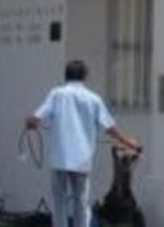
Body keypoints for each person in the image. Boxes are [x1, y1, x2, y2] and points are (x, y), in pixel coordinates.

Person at [25, 59, 141, 227]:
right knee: (80, 201)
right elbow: (109, 127)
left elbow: (36, 117)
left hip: (60, 158)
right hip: (82, 159)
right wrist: (128, 142)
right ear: (84, 76)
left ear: (66, 75)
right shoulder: (93, 99)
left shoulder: (57, 94)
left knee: (59, 200)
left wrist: (31, 122)